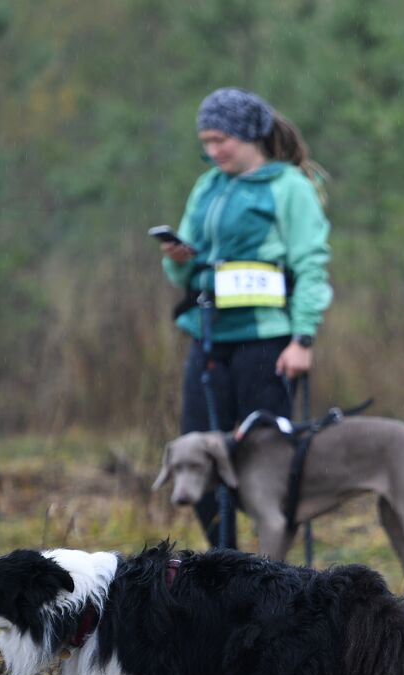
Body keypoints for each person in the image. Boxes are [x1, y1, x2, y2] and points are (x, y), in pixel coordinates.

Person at [158, 87, 333, 546]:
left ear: (249, 135)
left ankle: (268, 575)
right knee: (194, 453)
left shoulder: (289, 187)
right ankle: (225, 564)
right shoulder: (208, 186)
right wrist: (178, 257)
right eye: (206, 142)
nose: (213, 151)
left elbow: (311, 267)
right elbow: (186, 266)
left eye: (221, 140)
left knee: (262, 463)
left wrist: (303, 339)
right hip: (210, 337)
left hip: (268, 342)